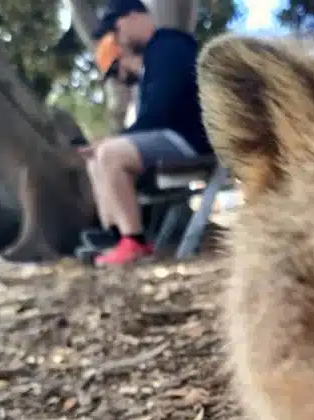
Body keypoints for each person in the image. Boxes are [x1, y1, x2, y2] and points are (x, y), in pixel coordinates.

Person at [79, 0, 214, 267]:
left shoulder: (170, 44)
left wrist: (116, 140)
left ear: (131, 17)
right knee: (97, 158)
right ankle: (116, 236)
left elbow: (162, 110)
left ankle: (134, 241)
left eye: (116, 31)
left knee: (109, 153)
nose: (121, 41)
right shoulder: (154, 57)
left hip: (188, 141)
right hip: (169, 137)